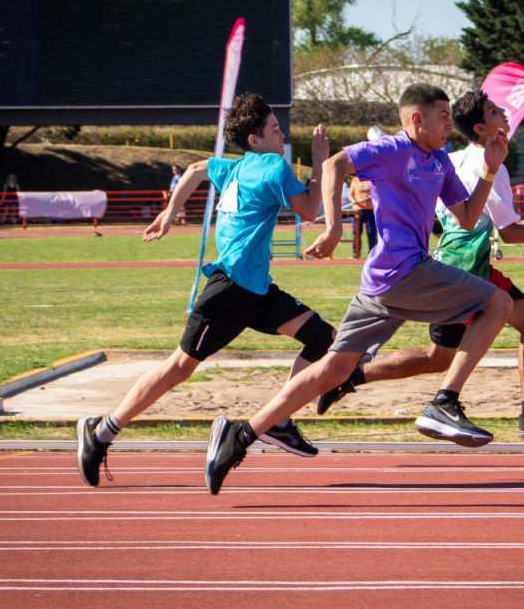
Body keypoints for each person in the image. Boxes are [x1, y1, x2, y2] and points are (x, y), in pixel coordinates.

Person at [202, 83, 515, 495]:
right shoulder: (388, 150)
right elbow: (333, 166)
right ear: (416, 119)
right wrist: (333, 228)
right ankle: (445, 401)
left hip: (386, 281)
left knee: (334, 369)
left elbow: (469, 218)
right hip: (403, 271)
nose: (448, 126)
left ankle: (241, 435)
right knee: (499, 302)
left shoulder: (439, 161)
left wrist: (490, 169)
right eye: (442, 118)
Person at [75, 94, 337, 487]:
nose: (281, 133)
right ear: (254, 139)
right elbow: (311, 210)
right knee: (178, 368)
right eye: (274, 129)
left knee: (321, 338)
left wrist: (170, 211)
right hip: (230, 290)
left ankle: (279, 419)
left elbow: (196, 169)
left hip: (257, 291)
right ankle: (101, 432)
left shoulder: (233, 170)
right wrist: (320, 161)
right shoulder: (271, 166)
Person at [316, 90, 524, 440]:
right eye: (495, 110)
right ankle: (462, 403)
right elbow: (510, 232)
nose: (504, 113)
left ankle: (357, 376)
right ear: (481, 126)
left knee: (442, 356)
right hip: (466, 267)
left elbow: (451, 207)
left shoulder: (452, 157)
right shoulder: (488, 165)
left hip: (453, 261)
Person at [349, 175, 376, 258]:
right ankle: (356, 254)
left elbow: (376, 192)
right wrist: (354, 201)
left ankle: (372, 254)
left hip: (370, 210)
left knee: (371, 232)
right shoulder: (355, 180)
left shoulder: (371, 179)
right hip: (357, 210)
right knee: (356, 233)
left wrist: (372, 197)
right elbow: (351, 195)